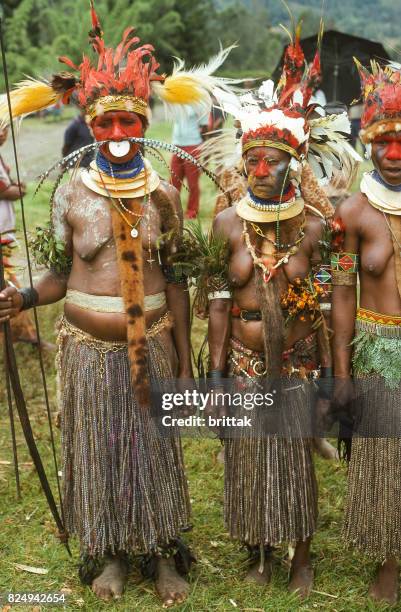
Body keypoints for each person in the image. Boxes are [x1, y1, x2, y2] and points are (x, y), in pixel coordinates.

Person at [0, 2, 235, 604]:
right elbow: (58, 274)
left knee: (151, 451)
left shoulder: (161, 195)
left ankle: (161, 556)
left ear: (144, 120)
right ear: (90, 125)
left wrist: (184, 363)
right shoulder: (70, 194)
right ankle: (109, 554)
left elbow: (177, 280)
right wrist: (23, 295)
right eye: (105, 126)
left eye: (129, 123)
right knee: (100, 452)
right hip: (87, 351)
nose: (118, 136)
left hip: (151, 345)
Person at [202, 30, 356, 597]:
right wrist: (216, 374)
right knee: (248, 456)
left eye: (272, 161)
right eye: (252, 161)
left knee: (293, 456)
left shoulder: (315, 231)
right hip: (243, 357)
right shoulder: (223, 225)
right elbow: (218, 301)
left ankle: (302, 554)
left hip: (295, 361)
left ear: (293, 164)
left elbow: (329, 297)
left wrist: (334, 373)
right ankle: (259, 547)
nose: (260, 170)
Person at [332, 60, 401, 606]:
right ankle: (389, 559)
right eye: (384, 142)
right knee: (384, 457)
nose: (395, 154)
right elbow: (342, 294)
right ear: (368, 145)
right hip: (379, 348)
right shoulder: (352, 214)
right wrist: (342, 374)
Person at [0, 125, 41, 346]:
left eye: (4, 128)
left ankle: (21, 333)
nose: (2, 133)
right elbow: (5, 190)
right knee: (8, 288)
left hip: (4, 232)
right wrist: (19, 190)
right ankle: (25, 333)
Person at [170, 108, 209, 219]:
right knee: (173, 180)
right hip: (177, 145)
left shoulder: (198, 102)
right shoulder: (175, 100)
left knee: (192, 183)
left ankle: (192, 211)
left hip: (192, 145)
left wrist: (204, 149)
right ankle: (171, 209)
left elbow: (204, 127)